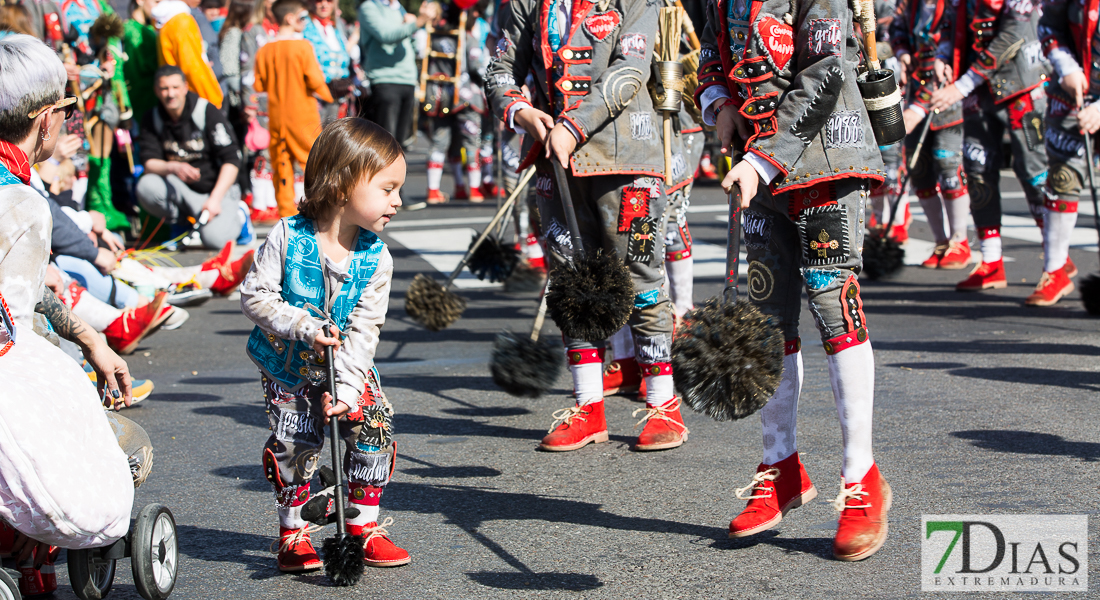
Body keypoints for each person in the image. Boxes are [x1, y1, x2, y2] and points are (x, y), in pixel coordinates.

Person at [696, 0, 891, 560]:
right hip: (758, 160)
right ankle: (780, 467)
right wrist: (718, 103)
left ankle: (862, 479)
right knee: (765, 319)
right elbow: (711, 52)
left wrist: (761, 160)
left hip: (826, 160)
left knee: (836, 311)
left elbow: (827, 70)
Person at [487, 0, 690, 452]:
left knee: (641, 279)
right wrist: (520, 110)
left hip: (627, 157)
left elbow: (630, 70)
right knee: (570, 283)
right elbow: (500, 68)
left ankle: (663, 406)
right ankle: (588, 406)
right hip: (555, 161)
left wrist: (573, 127)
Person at [239, 118, 409, 573]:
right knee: (297, 441)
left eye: (398, 190)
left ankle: (362, 526)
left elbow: (366, 330)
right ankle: (293, 531)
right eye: (388, 188)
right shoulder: (287, 236)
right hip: (289, 367)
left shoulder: (378, 258)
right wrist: (302, 324)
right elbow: (255, 295)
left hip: (347, 366)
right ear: (341, 185)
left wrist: (349, 394)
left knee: (372, 424)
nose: (398, 201)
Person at [0, 33, 136, 596]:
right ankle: (37, 560)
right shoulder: (23, 203)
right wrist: (85, 349)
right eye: (67, 111)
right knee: (124, 446)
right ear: (45, 119)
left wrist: (88, 336)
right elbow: (15, 322)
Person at [927, 0, 1054, 299]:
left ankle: (1056, 261)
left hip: (1023, 86)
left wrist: (961, 86)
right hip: (979, 90)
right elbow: (950, 23)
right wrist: (943, 56)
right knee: (977, 169)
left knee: (1035, 174)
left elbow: (1013, 35)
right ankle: (992, 260)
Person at [891, 0, 972, 269]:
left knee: (948, 167)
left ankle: (959, 241)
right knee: (919, 170)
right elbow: (897, 27)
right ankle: (940, 241)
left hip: (947, 98)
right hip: (917, 90)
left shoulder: (953, 5)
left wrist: (918, 108)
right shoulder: (911, 4)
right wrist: (902, 52)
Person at [135, 65, 248, 249]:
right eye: (164, 88)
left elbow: (232, 159)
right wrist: (174, 167)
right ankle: (181, 225)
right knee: (146, 185)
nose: (170, 94)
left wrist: (215, 199)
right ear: (156, 90)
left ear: (185, 87)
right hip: (182, 190)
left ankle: (240, 216)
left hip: (216, 189)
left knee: (215, 241)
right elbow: (149, 163)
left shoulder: (206, 112)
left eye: (175, 87)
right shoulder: (152, 118)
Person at [253, 0, 334, 217]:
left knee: (281, 163)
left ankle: (286, 211)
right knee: (313, 161)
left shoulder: (265, 50)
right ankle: (322, 209)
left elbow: (259, 84)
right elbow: (315, 80)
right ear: (291, 18)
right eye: (302, 17)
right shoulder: (302, 47)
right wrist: (330, 95)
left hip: (277, 116)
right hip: (303, 114)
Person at [357, 0, 432, 147]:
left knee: (400, 145)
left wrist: (414, 32)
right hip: (385, 81)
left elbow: (408, 42)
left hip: (408, 81)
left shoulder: (399, 8)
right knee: (385, 146)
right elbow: (386, 36)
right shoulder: (369, 7)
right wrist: (418, 22)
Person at [154, 0, 225, 108]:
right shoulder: (181, 22)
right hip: (193, 100)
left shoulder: (170, 20)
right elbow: (192, 68)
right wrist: (212, 101)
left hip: (180, 100)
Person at [303, 0, 354, 123]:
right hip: (315, 95)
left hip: (338, 94)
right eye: (319, 0)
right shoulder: (304, 25)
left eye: (329, 1)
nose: (324, 4)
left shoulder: (336, 27)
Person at [123, 0, 163, 123]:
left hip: (155, 99)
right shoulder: (132, 30)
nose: (159, 7)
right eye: (156, 1)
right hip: (142, 102)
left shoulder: (149, 28)